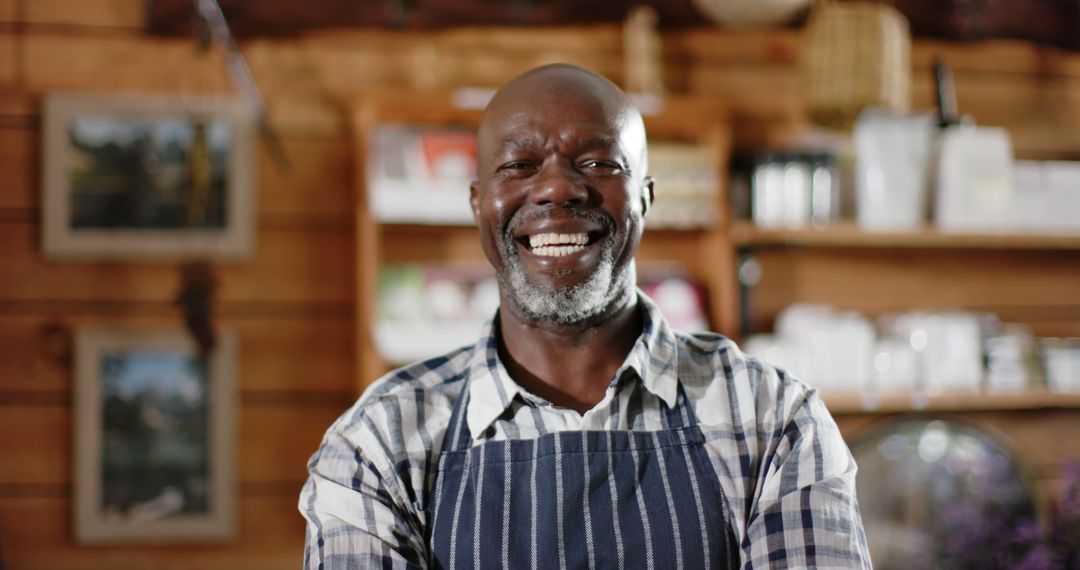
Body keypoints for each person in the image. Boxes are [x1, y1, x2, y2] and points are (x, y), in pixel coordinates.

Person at [300, 63, 871, 569]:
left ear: (645, 199)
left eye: (597, 162)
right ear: (478, 203)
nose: (556, 188)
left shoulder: (772, 422)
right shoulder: (379, 445)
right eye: (520, 164)